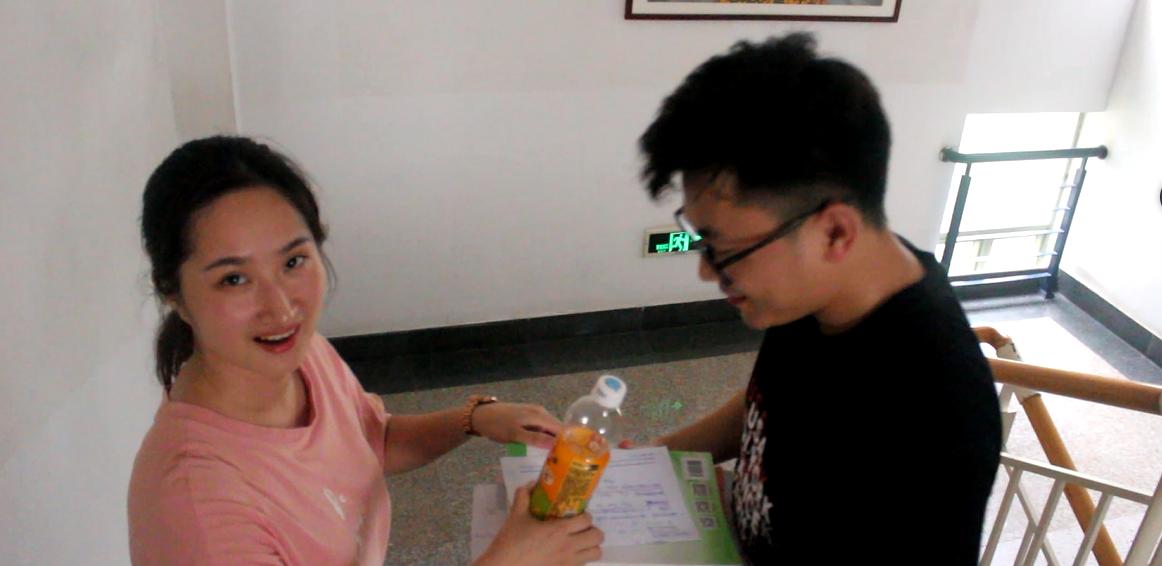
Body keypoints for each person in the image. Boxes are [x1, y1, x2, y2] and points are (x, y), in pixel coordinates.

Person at [128, 136, 604, 565]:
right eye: (234, 279)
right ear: (174, 294)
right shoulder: (195, 505)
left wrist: (474, 418)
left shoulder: (304, 356)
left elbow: (371, 441)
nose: (281, 307)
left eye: (293, 261)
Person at [630, 33, 1001, 564]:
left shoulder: (933, 416)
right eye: (700, 240)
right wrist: (651, 461)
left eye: (723, 248)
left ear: (834, 232)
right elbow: (765, 406)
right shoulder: (825, 288)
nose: (707, 271)